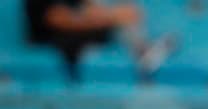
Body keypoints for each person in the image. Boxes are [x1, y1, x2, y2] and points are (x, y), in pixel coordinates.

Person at [24, 0, 176, 81]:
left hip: (81, 36)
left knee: (125, 11)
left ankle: (144, 51)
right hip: (53, 41)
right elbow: (61, 20)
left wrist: (114, 13)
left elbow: (91, 8)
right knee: (117, 21)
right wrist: (111, 18)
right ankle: (143, 52)